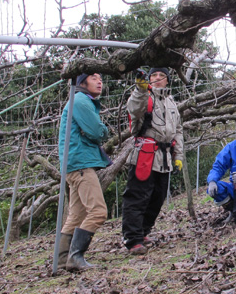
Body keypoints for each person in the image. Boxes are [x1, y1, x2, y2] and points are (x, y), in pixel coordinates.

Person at [121, 68, 184, 255]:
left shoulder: (172, 103)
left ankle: (143, 231)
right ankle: (132, 239)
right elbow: (133, 109)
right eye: (153, 75)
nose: (157, 78)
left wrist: (178, 156)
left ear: (167, 81)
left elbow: (178, 130)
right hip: (145, 155)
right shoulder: (144, 98)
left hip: (165, 158)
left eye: (161, 76)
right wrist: (140, 90)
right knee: (137, 197)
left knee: (158, 197)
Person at [57, 73, 111, 271]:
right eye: (94, 77)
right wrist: (103, 131)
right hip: (80, 163)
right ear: (82, 82)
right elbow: (97, 132)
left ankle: (62, 260)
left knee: (76, 215)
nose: (99, 81)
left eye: (101, 78)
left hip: (72, 164)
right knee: (98, 211)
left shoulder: (78, 100)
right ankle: (75, 256)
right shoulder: (80, 100)